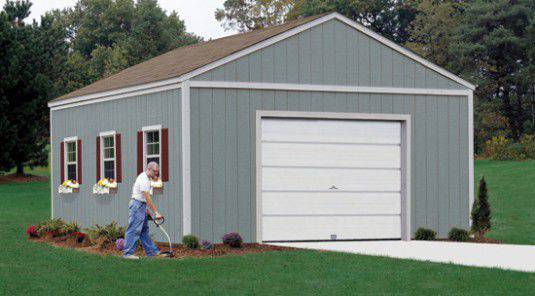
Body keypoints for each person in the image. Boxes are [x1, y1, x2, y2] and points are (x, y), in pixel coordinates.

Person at [123, 162, 163, 259]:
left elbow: (143, 198)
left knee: (144, 230)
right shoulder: (144, 179)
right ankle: (128, 253)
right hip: (137, 206)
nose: (156, 174)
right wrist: (156, 212)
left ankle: (152, 252)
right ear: (149, 169)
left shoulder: (146, 178)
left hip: (141, 205)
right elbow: (147, 197)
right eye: (154, 171)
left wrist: (146, 209)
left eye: (157, 172)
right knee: (134, 229)